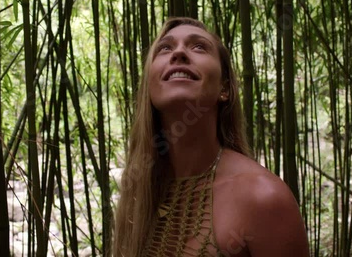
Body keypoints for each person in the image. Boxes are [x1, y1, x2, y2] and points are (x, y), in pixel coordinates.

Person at [113, 17, 310, 257]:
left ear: (224, 89)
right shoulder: (141, 193)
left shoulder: (263, 198)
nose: (179, 53)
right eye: (165, 48)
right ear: (149, 84)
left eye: (198, 47)